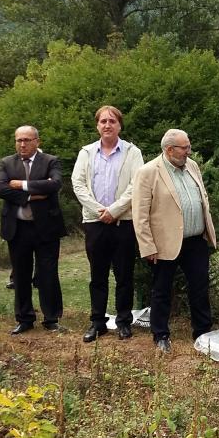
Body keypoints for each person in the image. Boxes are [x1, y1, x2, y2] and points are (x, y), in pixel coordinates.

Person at [132, 129, 216, 354]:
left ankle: (202, 332)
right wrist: (147, 246)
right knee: (162, 289)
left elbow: (202, 198)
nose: (189, 151)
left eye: (188, 146)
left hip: (195, 240)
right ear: (169, 150)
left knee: (199, 287)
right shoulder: (148, 172)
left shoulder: (192, 166)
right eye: (184, 148)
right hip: (164, 243)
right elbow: (140, 214)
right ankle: (160, 334)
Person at [71, 106, 144, 343]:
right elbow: (78, 184)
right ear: (97, 125)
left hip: (123, 221)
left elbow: (137, 185)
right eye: (103, 121)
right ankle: (97, 323)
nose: (107, 125)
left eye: (112, 121)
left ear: (119, 125)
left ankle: (123, 322)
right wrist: (99, 210)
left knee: (124, 275)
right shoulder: (87, 152)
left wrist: (114, 210)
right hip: (95, 222)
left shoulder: (132, 153)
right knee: (98, 276)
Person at [0, 126, 67, 335]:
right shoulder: (7, 163)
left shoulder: (50, 161)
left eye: (27, 140)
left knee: (48, 273)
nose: (22, 144)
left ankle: (51, 318)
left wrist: (20, 185)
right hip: (17, 229)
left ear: (37, 141)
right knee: (21, 274)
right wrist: (31, 194)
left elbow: (54, 184)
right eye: (19, 140)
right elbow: (1, 189)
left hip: (46, 228)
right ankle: (24, 318)